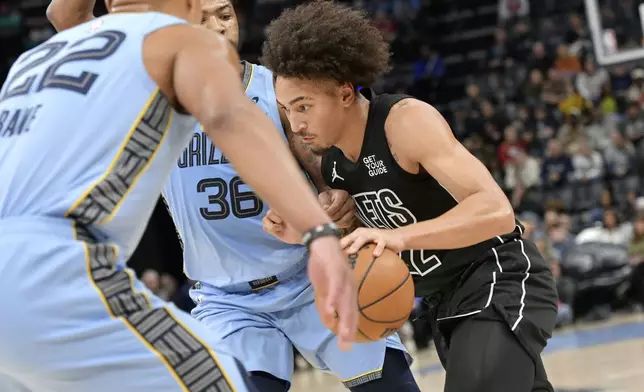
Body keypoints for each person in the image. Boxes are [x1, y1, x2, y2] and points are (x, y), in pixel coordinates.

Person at [45, 1, 418, 391]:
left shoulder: (276, 91)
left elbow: (328, 186)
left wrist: (331, 205)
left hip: (309, 279)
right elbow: (64, 17)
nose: (219, 26)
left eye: (225, 14)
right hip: (229, 301)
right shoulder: (149, 96)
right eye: (203, 17)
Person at [261, 2, 559, 392]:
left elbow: (497, 211)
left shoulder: (404, 122)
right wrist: (306, 232)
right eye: (287, 110)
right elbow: (369, 245)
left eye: (305, 106)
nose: (297, 123)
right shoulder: (334, 167)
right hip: (444, 306)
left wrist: (399, 237)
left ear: (345, 93)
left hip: (497, 279)